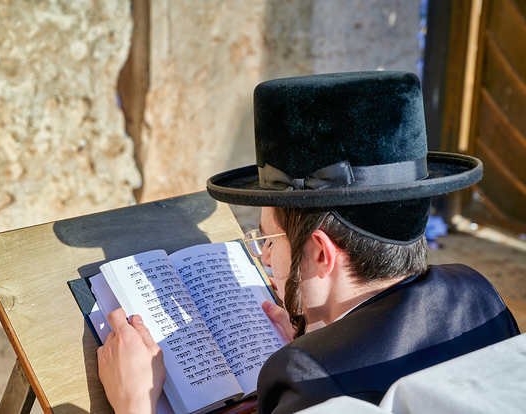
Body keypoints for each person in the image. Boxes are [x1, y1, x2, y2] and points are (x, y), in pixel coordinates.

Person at [97, 71, 520, 414]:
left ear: (320, 252)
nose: (262, 256)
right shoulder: (478, 294)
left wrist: (135, 404)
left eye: (266, 239)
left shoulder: (305, 375)